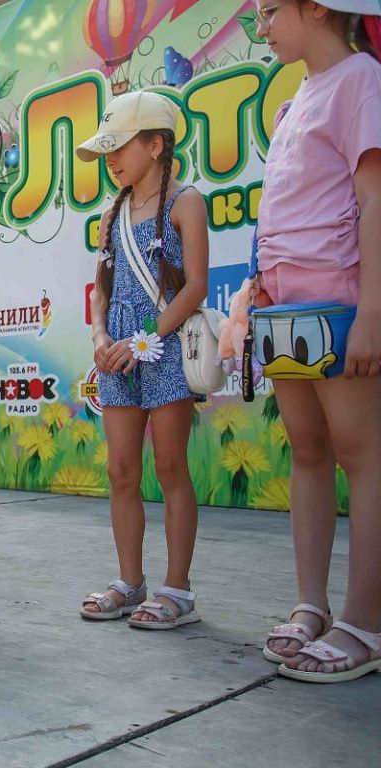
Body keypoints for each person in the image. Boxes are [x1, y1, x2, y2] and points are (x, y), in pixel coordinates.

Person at [253, 0, 381, 683]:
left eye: (272, 10)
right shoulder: (293, 99)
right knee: (308, 451)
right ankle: (312, 604)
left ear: (320, 8)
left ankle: (366, 624)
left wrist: (373, 312)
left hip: (340, 301)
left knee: (363, 457)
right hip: (285, 310)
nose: (263, 26)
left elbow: (375, 199)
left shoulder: (361, 79)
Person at [74, 90, 210, 629]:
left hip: (165, 349)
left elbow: (195, 286)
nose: (110, 160)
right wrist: (100, 336)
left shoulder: (186, 202)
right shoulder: (111, 213)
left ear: (156, 145)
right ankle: (130, 582)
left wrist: (144, 339)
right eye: (105, 151)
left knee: (171, 467)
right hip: (116, 357)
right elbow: (100, 289)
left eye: (119, 148)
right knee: (121, 471)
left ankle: (178, 590)